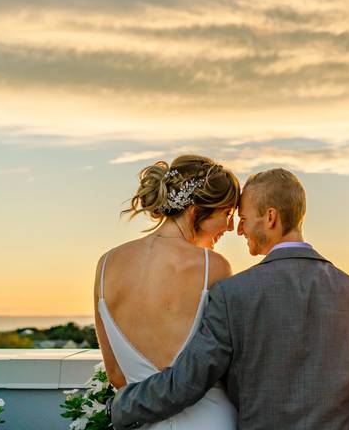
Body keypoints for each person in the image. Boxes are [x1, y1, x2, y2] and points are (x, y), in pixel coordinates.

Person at [110, 167, 349, 430]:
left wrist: (122, 406)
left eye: (245, 219)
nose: (238, 230)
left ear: (271, 217)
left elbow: (190, 380)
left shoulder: (233, 293)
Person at [94, 155, 240, 429]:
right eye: (227, 214)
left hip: (142, 420)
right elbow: (224, 365)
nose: (230, 227)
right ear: (197, 211)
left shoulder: (106, 264)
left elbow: (115, 374)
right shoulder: (213, 266)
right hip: (209, 420)